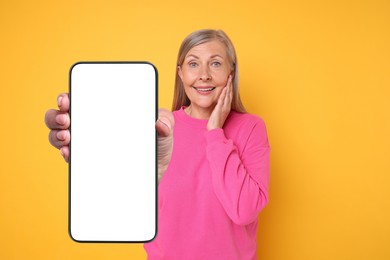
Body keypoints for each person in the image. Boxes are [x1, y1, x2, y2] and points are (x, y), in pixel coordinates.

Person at [45, 29, 270, 260]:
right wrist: (94, 158)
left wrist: (215, 133)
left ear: (230, 72)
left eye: (215, 63)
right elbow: (125, 203)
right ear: (180, 74)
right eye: (193, 64)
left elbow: (244, 211)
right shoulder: (160, 129)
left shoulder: (250, 128)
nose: (204, 75)